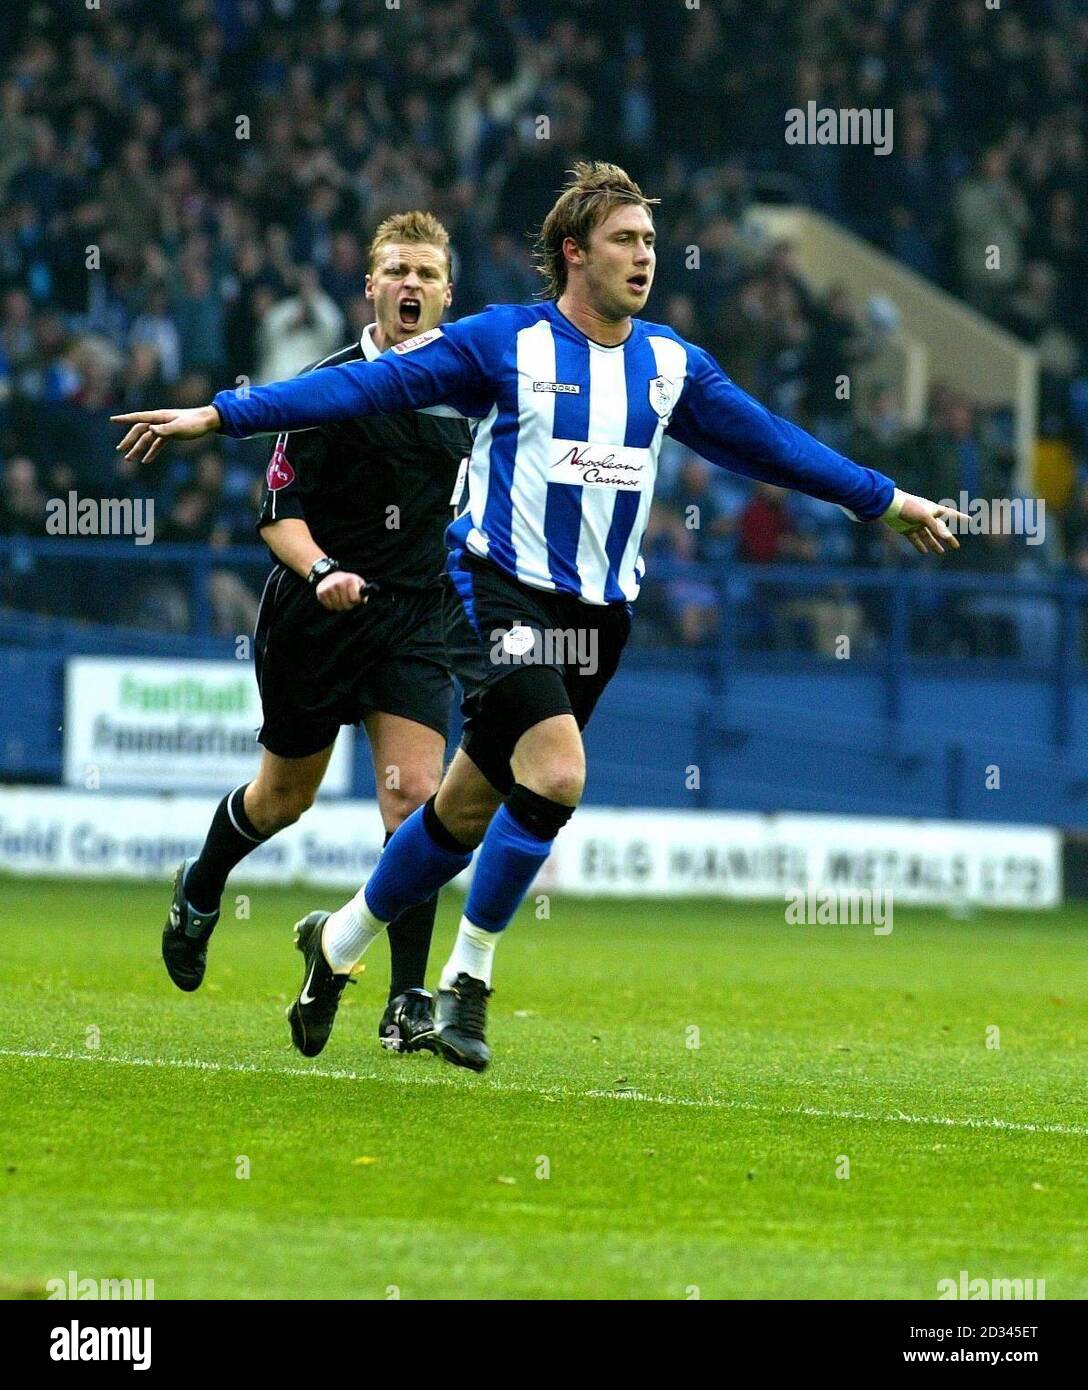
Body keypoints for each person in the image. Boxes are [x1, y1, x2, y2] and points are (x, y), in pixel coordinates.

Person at [114, 162, 966, 1073]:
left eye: (648, 241)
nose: (645, 257)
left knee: (458, 808)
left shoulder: (672, 365)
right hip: (496, 589)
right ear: (574, 253)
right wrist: (220, 414)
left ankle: (334, 948)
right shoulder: (502, 344)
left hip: (600, 614)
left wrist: (886, 500)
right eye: (625, 241)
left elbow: (775, 446)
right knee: (556, 774)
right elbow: (359, 388)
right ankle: (465, 983)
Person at [154, 211, 472, 1057]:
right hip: (315, 613)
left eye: (426, 274)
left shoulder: (467, 393)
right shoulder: (329, 386)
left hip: (415, 619)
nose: (411, 285)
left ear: (448, 293)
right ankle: (201, 885)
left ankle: (407, 999)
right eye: (396, 270)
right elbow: (276, 513)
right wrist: (325, 569)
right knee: (282, 800)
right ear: (369, 286)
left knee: (416, 805)